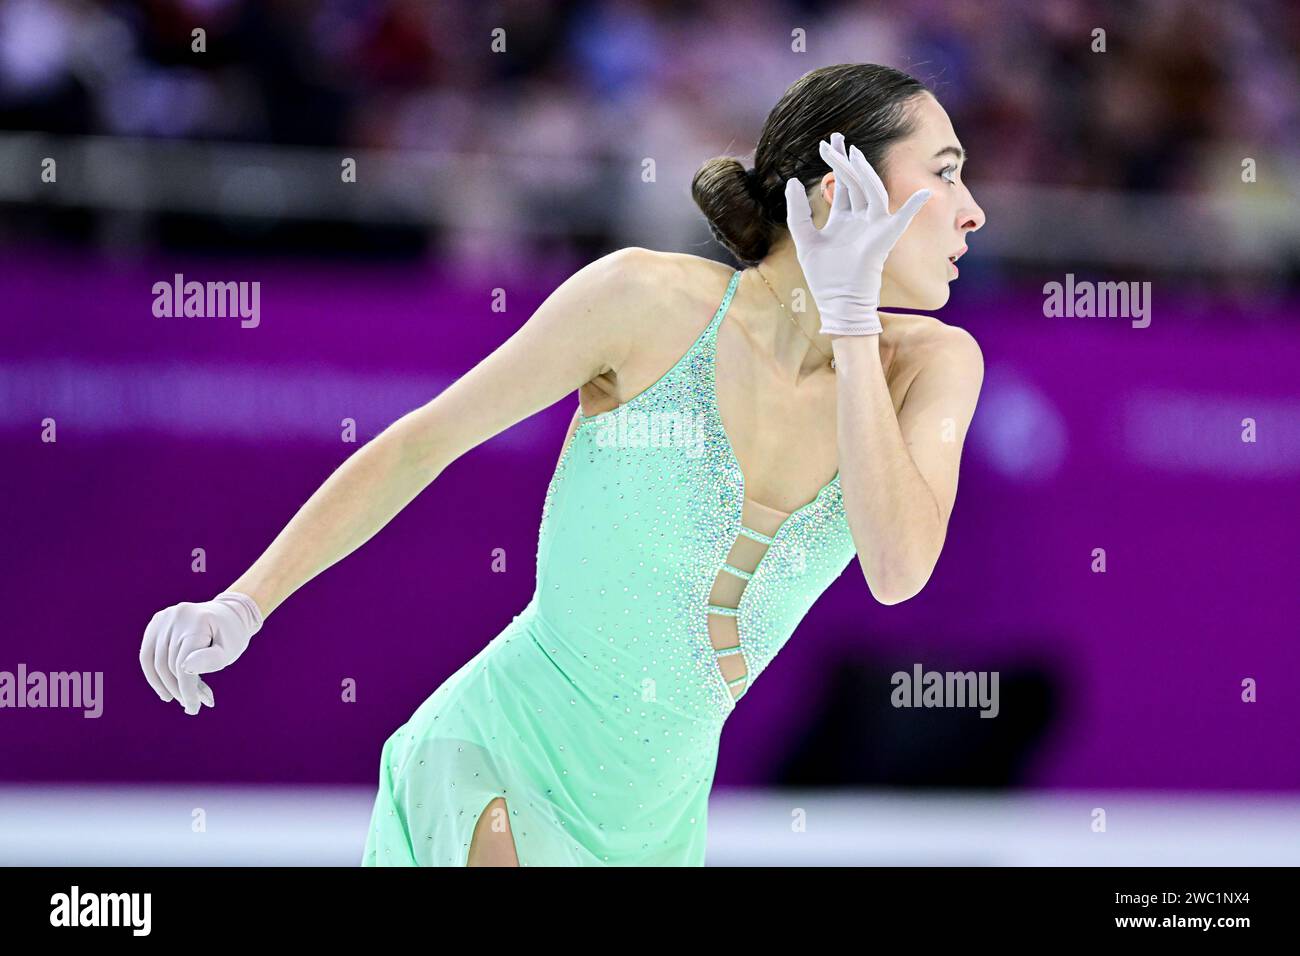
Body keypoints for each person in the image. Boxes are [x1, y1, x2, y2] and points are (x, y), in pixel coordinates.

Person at [138, 63, 986, 866]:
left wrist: (847, 323)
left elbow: (898, 568)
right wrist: (243, 604)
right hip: (493, 763)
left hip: (657, 827)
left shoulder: (933, 366)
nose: (973, 210)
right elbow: (423, 441)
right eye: (945, 173)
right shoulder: (644, 302)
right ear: (843, 194)